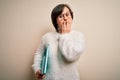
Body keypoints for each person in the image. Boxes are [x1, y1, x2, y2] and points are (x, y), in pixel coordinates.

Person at [32, 4, 85, 80]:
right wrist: (37, 69)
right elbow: (39, 53)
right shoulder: (47, 37)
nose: (65, 18)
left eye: (67, 14)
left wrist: (64, 34)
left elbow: (70, 56)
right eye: (61, 16)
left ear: (71, 16)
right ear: (55, 21)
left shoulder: (79, 36)